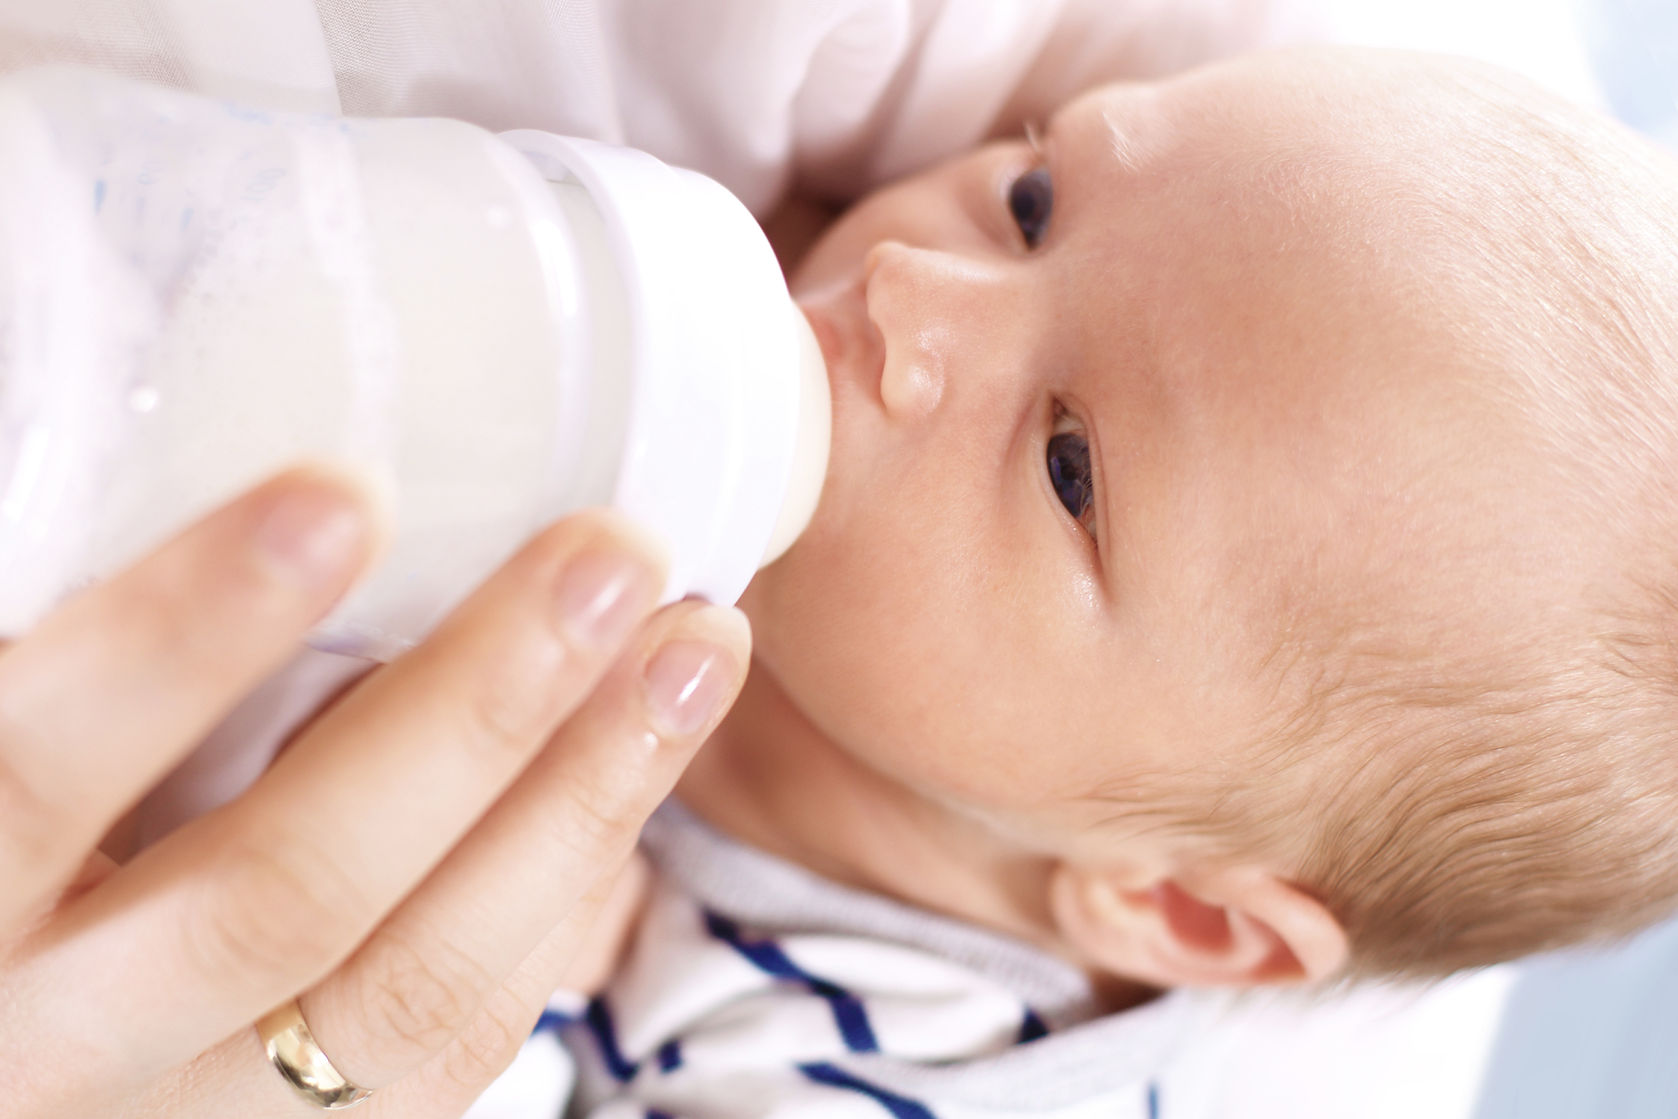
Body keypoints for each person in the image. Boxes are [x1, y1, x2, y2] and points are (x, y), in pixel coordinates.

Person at [480, 47, 1678, 1118]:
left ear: (1179, 911)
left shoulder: (892, 1073)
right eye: (1031, 202)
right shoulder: (769, 273)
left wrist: (520, 1005)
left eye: (1067, 468)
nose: (909, 286)